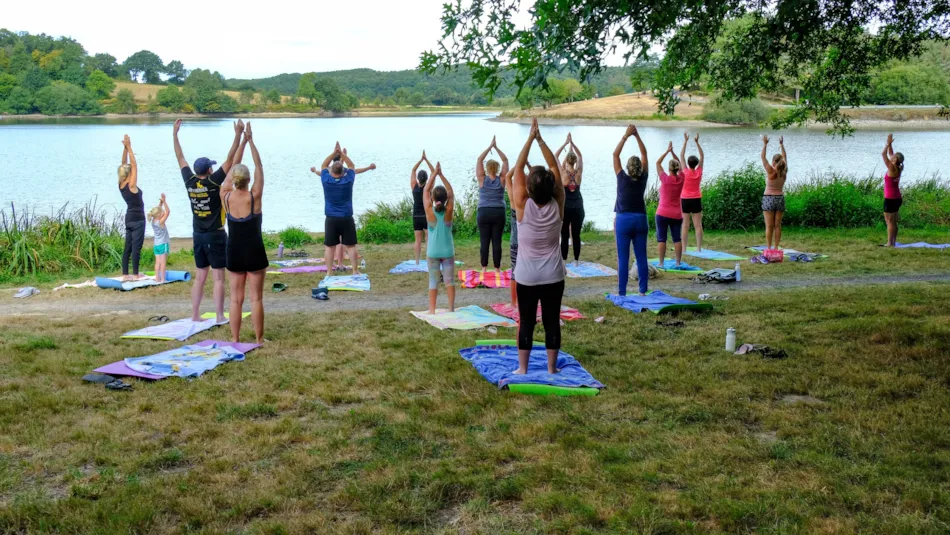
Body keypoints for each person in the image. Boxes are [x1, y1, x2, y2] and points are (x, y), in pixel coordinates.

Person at [510, 118, 566, 376]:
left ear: (529, 189)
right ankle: (552, 369)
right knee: (552, 321)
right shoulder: (558, 203)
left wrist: (529, 139)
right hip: (554, 275)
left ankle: (523, 369)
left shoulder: (521, 205)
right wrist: (541, 140)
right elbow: (554, 164)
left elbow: (519, 167)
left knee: (527, 322)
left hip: (527, 276)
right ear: (552, 187)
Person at [174, 118, 244, 323]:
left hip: (197, 234)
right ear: (209, 171)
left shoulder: (189, 180)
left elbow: (180, 157)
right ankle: (220, 315)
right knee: (218, 277)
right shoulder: (214, 183)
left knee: (200, 276)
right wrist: (238, 135)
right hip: (216, 233)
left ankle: (195, 315)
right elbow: (231, 159)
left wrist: (175, 135)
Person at [220, 122, 267, 344]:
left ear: (234, 180)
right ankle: (258, 339)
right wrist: (251, 140)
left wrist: (241, 141)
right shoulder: (254, 196)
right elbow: (259, 165)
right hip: (255, 251)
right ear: (248, 181)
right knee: (256, 298)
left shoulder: (225, 196)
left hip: (234, 252)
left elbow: (231, 169)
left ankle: (236, 339)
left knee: (236, 300)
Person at [312, 143, 376, 274]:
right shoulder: (348, 181)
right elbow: (352, 167)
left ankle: (329, 272)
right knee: (351, 246)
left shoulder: (326, 180)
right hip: (346, 217)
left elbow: (324, 166)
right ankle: (354, 270)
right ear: (343, 172)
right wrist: (343, 154)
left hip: (331, 218)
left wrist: (334, 153)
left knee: (329, 247)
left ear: (332, 172)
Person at [613, 125, 650, 296]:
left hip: (623, 220)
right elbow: (645, 155)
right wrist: (637, 136)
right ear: (640, 168)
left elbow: (615, 154)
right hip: (640, 220)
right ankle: (642, 292)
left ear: (627, 168)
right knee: (641, 257)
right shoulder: (643, 178)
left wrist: (625, 136)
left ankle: (622, 292)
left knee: (623, 259)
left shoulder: (621, 177)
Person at [423, 162, 456, 314]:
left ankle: (432, 310)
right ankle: (451, 309)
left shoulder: (430, 211)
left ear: (432, 198)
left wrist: (434, 174)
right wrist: (441, 175)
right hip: (448, 251)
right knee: (449, 281)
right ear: (445, 199)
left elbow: (425, 191)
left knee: (433, 281)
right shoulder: (448, 210)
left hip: (433, 252)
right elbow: (450, 191)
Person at [476, 136, 509, 273]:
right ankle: (497, 269)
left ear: (487, 168)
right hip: (498, 213)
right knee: (497, 241)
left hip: (484, 212)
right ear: (497, 168)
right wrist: (496, 148)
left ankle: (484, 268)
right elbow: (505, 160)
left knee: (484, 241)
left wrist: (489, 147)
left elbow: (479, 159)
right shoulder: (502, 179)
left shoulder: (482, 179)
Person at [504, 159, 533, 307]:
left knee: (515, 271)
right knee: (530, 270)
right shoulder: (530, 197)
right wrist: (527, 166)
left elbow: (507, 177)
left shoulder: (513, 198)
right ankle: (528, 301)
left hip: (515, 240)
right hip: (528, 240)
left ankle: (514, 303)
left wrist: (518, 165)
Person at [118, 135, 145, 282]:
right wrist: (130, 147)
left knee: (127, 246)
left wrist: (125, 148)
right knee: (136, 247)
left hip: (128, 218)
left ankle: (125, 273)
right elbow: (134, 165)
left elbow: (124, 164)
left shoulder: (121, 184)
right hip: (138, 219)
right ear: (129, 174)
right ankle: (135, 274)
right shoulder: (131, 185)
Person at [556, 133, 585, 264]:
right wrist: (573, 144)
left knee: (565, 235)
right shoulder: (578, 173)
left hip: (565, 207)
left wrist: (565, 144)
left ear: (566, 161)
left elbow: (555, 156)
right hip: (578, 206)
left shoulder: (563, 173)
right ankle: (577, 260)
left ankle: (563, 260)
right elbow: (580, 156)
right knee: (576, 235)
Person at [655, 141, 685, 267]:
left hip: (662, 213)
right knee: (677, 239)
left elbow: (657, 163)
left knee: (662, 239)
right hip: (676, 214)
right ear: (677, 168)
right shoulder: (681, 178)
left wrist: (667, 151)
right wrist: (673, 153)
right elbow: (681, 165)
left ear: (669, 169)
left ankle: (661, 263)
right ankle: (678, 262)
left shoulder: (665, 178)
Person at [761, 135, 788, 250]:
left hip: (768, 198)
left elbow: (762, 157)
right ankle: (776, 247)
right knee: (777, 226)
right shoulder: (784, 171)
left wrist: (765, 144)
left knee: (769, 226)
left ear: (773, 162)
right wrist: (781, 145)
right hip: (780, 199)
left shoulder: (771, 171)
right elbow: (785, 157)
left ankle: (768, 247)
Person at [679, 132, 705, 251]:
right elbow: (702, 156)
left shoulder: (685, 171)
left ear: (688, 164)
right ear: (696, 164)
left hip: (685, 199)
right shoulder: (699, 172)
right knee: (698, 225)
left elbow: (681, 155)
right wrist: (697, 142)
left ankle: (684, 249)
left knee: (685, 225)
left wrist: (685, 142)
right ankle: (699, 248)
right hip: (696, 199)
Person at [411, 151, 435, 264]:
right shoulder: (428, 188)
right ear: (426, 179)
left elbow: (413, 170)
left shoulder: (414, 186)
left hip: (416, 215)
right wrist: (426, 160)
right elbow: (434, 172)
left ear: (418, 178)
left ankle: (417, 261)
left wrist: (421, 160)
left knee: (418, 240)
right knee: (428, 238)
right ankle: (428, 258)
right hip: (426, 214)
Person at [882, 133, 905, 247]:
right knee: (893, 221)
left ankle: (889, 243)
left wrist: (887, 144)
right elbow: (890, 154)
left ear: (895, 160)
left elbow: (883, 154)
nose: (891, 156)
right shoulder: (899, 167)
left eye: (894, 157)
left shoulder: (891, 167)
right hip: (897, 198)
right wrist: (890, 144)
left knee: (889, 221)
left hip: (890, 199)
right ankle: (893, 242)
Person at [148, 193, 171, 283]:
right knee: (163, 262)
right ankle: (162, 279)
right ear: (160, 215)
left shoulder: (153, 221)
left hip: (156, 245)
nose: (163, 213)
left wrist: (160, 202)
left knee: (157, 262)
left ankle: (157, 278)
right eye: (162, 213)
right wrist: (165, 202)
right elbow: (168, 212)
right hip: (163, 244)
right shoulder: (161, 222)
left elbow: (157, 211)